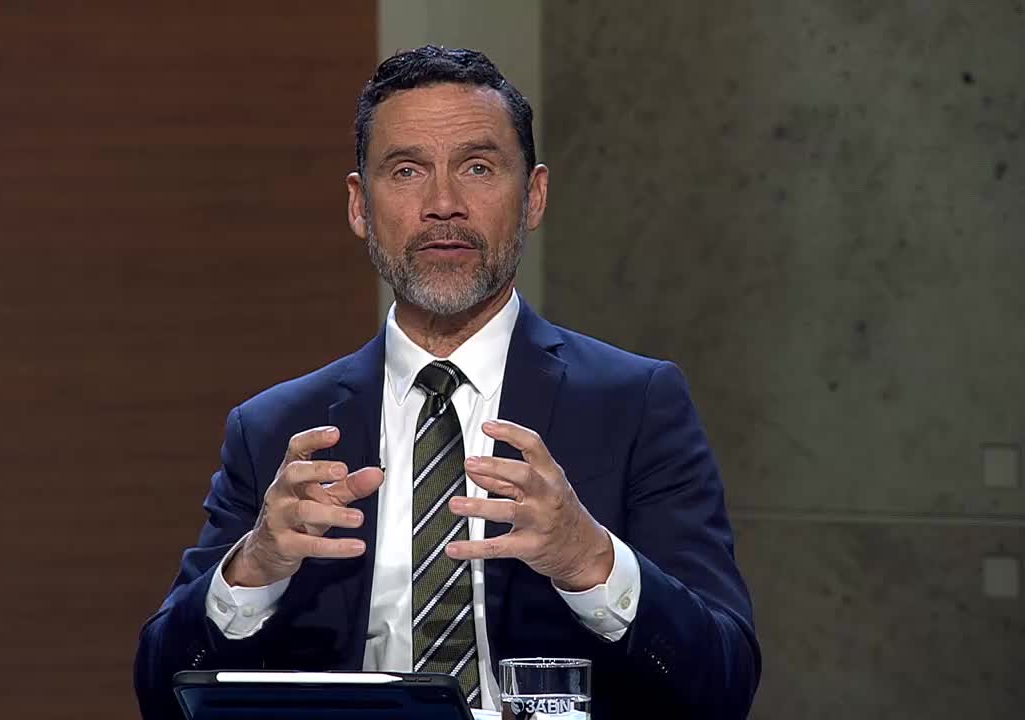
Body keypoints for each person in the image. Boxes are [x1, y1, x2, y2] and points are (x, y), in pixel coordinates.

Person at [134, 45, 759, 719]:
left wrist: (593, 562)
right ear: (359, 206)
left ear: (534, 196)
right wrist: (254, 569)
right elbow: (162, 695)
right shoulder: (275, 430)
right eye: (406, 171)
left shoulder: (635, 405)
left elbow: (722, 685)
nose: (443, 204)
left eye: (479, 167)